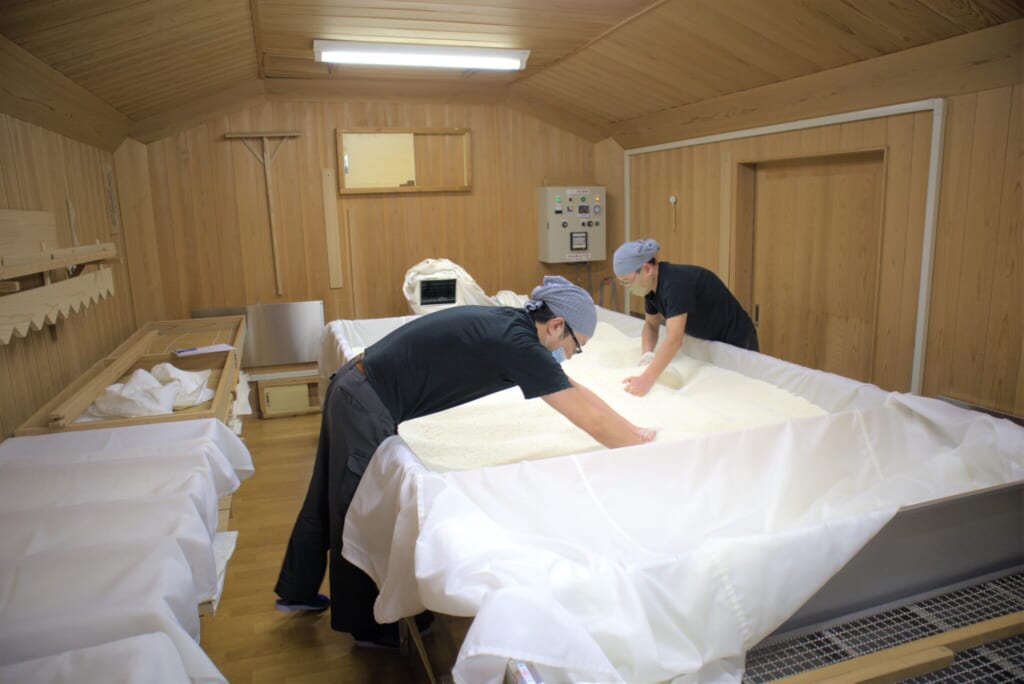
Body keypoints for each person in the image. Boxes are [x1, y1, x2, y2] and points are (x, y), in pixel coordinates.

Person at [274, 275, 656, 647]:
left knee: (326, 493)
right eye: (577, 345)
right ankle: (367, 627)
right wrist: (643, 457)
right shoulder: (522, 347)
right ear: (557, 326)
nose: (572, 355)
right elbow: (587, 419)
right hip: (366, 402)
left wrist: (634, 431)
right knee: (356, 508)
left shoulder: (514, 324)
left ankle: (296, 589)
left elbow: (573, 388)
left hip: (353, 385)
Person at [613, 238, 758, 397]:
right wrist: (647, 355)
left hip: (736, 339)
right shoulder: (651, 289)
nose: (628, 288)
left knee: (742, 393)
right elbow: (651, 325)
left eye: (628, 282)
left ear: (647, 269)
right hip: (711, 342)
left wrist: (646, 379)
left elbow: (674, 339)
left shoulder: (675, 283)